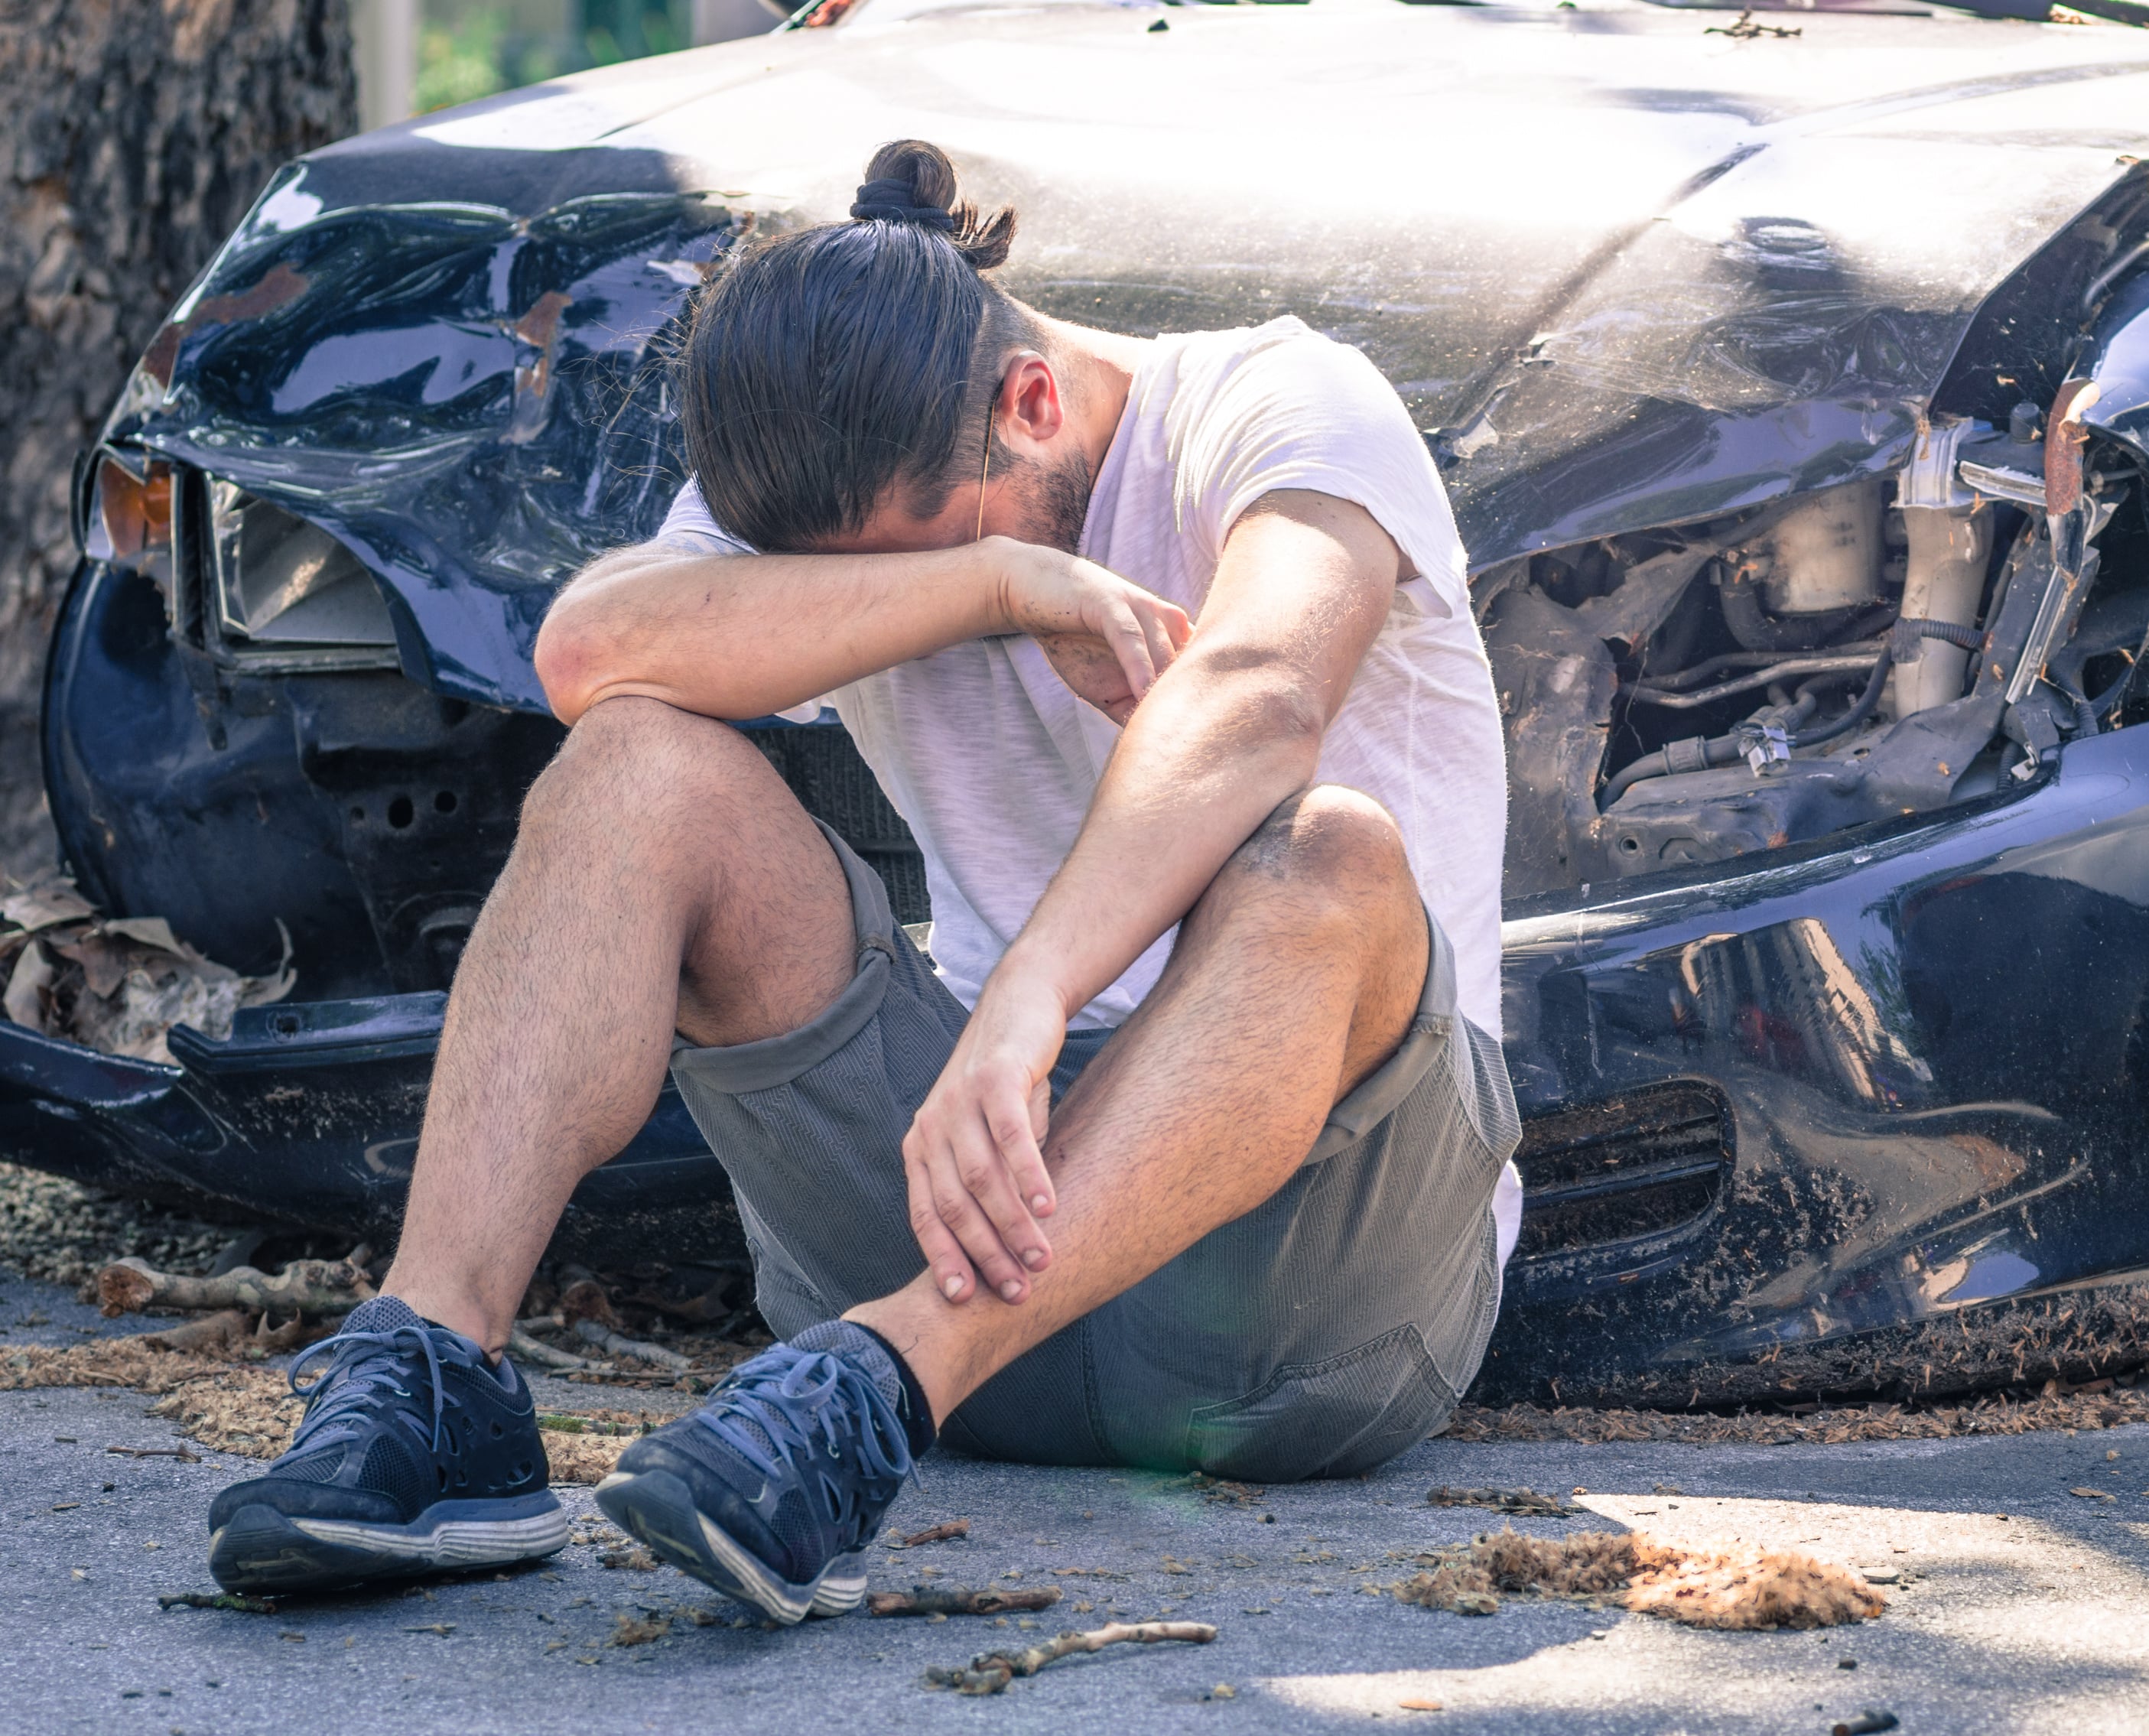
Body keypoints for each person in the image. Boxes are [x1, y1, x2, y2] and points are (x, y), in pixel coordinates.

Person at [202, 140, 1520, 1622]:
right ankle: (441, 1369)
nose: (895, 597)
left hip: (1303, 1314)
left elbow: (1261, 686)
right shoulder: (847, 475)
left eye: (932, 549)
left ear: (1033, 402)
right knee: (638, 757)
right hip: (956, 1210)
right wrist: (989, 579)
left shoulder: (1283, 400)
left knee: (1328, 848)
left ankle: (886, 1379)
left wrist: (1034, 992)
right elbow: (587, 653)